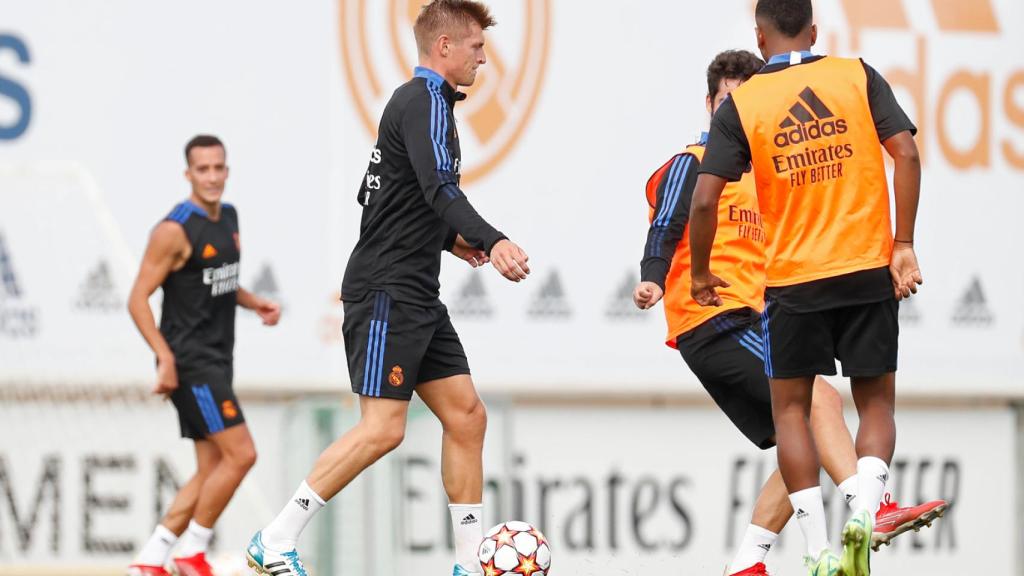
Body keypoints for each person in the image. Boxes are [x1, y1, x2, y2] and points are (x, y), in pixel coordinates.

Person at [245, 2, 530, 575]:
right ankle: (275, 539)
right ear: (443, 46)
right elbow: (438, 189)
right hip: (386, 291)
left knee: (468, 417)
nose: (483, 57)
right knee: (383, 430)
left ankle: (471, 564)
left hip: (417, 292)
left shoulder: (425, 106)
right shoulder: (421, 101)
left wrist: (452, 241)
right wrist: (491, 239)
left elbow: (381, 195)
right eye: (475, 46)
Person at [635, 49, 944, 576]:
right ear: (709, 105)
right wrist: (652, 273)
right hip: (714, 318)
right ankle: (875, 510)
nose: (734, 112)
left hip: (755, 316)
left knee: (804, 436)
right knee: (818, 401)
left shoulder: (767, 175)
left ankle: (747, 563)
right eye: (725, 102)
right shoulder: (692, 163)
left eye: (746, 101)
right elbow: (668, 220)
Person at [126, 135, 281, 576]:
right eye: (203, 170)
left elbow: (220, 281)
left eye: (219, 168)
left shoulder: (228, 217)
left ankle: (151, 559)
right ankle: (192, 552)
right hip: (190, 363)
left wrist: (255, 304)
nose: (212, 177)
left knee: (211, 467)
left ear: (227, 171)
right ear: (188, 175)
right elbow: (137, 298)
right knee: (242, 454)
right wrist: (165, 357)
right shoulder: (173, 230)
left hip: (217, 359)